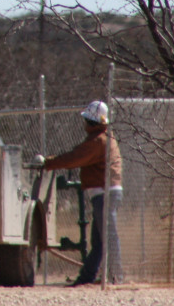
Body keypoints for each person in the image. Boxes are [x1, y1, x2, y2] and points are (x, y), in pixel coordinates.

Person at [39, 101, 123, 285]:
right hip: (104, 193)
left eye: (86, 119)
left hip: (105, 193)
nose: (84, 123)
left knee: (107, 237)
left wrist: (48, 162)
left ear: (92, 122)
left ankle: (116, 277)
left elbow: (74, 157)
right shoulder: (103, 137)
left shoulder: (98, 141)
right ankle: (88, 277)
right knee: (100, 240)